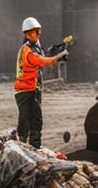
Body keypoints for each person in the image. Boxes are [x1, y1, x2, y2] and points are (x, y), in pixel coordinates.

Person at [14, 16, 67, 148]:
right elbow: (41, 61)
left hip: (33, 89)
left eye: (37, 32)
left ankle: (33, 147)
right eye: (32, 32)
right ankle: (23, 147)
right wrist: (58, 57)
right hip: (26, 91)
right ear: (26, 34)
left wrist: (52, 51)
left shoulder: (35, 47)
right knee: (26, 122)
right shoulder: (27, 51)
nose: (36, 35)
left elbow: (43, 56)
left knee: (35, 121)